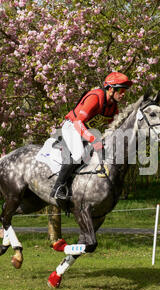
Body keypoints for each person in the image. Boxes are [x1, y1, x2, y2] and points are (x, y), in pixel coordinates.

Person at [50, 72, 133, 200]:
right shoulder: (95, 97)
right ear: (110, 89)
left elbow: (111, 129)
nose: (123, 94)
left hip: (87, 131)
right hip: (73, 126)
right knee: (79, 154)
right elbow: (78, 122)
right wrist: (93, 139)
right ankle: (58, 188)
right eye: (121, 90)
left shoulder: (113, 108)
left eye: (125, 91)